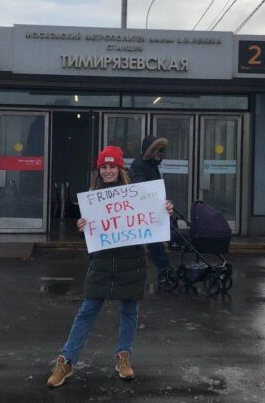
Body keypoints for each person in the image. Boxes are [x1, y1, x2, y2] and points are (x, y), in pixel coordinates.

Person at [47, 146, 174, 388]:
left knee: (129, 312)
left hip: (132, 262)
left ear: (120, 168)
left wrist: (165, 210)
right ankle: (66, 360)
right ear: (99, 170)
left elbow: (155, 218)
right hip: (103, 263)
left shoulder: (136, 194)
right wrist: (82, 228)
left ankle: (123, 358)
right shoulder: (93, 199)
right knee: (86, 311)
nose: (107, 171)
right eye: (103, 167)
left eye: (112, 166)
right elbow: (88, 239)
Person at [129, 135, 171, 275]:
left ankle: (164, 270)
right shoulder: (139, 165)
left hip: (151, 210)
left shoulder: (152, 165)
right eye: (157, 151)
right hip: (143, 212)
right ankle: (163, 270)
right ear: (150, 151)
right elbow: (139, 186)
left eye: (161, 151)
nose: (160, 154)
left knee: (156, 244)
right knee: (153, 244)